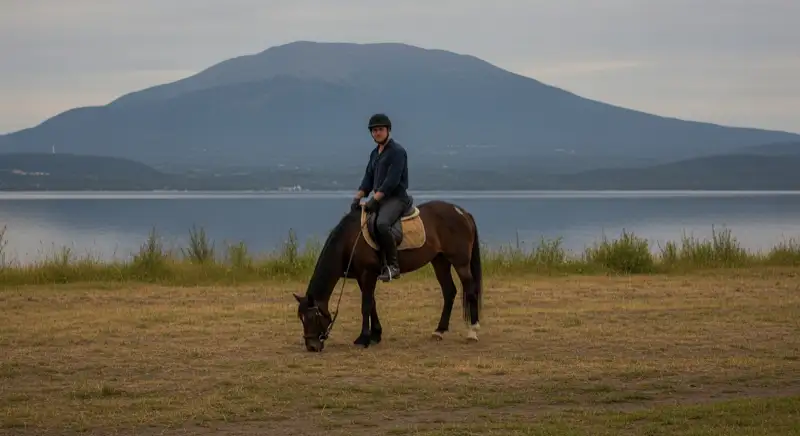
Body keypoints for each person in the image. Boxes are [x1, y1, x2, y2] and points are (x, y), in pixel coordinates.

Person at [351, 113, 411, 282]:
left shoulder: (398, 152)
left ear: (388, 130)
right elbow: (368, 179)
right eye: (374, 130)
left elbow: (391, 181)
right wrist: (358, 197)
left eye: (380, 130)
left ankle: (393, 266)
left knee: (382, 223)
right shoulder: (374, 154)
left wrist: (374, 199)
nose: (377, 133)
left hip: (396, 198)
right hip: (381, 199)